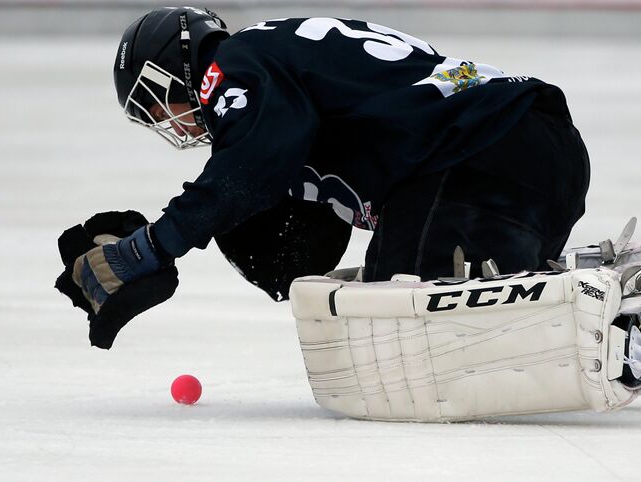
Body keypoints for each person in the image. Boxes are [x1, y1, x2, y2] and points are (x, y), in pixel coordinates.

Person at [73, 6, 590, 311]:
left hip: (480, 156)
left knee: (401, 320)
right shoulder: (278, 66)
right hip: (526, 147)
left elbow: (248, 174)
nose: (173, 120)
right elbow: (276, 209)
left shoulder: (232, 66)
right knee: (466, 297)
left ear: (180, 67)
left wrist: (151, 247)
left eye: (159, 99)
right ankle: (595, 303)